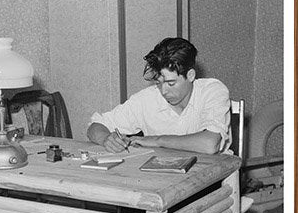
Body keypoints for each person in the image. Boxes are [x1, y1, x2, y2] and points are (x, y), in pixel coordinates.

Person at [87, 37, 230, 155]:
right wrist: (107, 139)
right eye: (159, 83)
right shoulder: (147, 98)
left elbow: (210, 144)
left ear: (190, 75)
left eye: (171, 83)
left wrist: (157, 140)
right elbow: (95, 126)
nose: (164, 91)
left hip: (214, 179)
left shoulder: (212, 91)